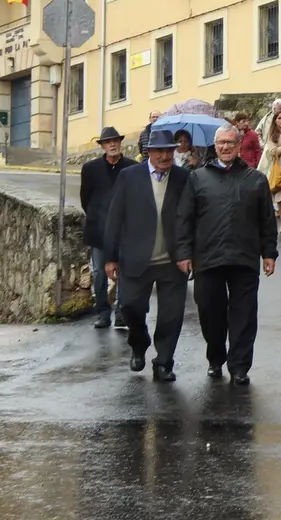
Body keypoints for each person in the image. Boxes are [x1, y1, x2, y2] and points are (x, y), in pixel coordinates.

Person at [176, 124, 278, 385]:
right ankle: (215, 356)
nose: (225, 147)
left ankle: (239, 366)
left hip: (244, 257)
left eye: (230, 143)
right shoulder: (198, 178)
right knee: (210, 312)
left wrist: (269, 253)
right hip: (208, 258)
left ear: (239, 145)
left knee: (244, 315)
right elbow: (185, 219)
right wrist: (184, 253)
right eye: (221, 143)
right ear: (215, 145)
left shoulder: (255, 179)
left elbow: (267, 219)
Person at [102, 129, 190, 382]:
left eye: (169, 150)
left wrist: (189, 253)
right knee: (130, 307)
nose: (165, 156)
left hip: (173, 261)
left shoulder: (184, 178)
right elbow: (115, 217)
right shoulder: (130, 177)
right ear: (148, 152)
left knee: (171, 316)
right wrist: (110, 257)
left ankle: (163, 362)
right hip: (135, 258)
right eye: (160, 150)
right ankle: (139, 343)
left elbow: (190, 218)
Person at [80, 127, 138, 329]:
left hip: (124, 230)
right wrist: (96, 215)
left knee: (123, 271)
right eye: (108, 142)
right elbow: (85, 198)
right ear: (103, 146)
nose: (112, 145)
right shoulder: (90, 168)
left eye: (115, 141)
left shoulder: (132, 167)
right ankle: (103, 312)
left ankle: (121, 312)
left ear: (120, 143)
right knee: (98, 272)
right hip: (98, 229)